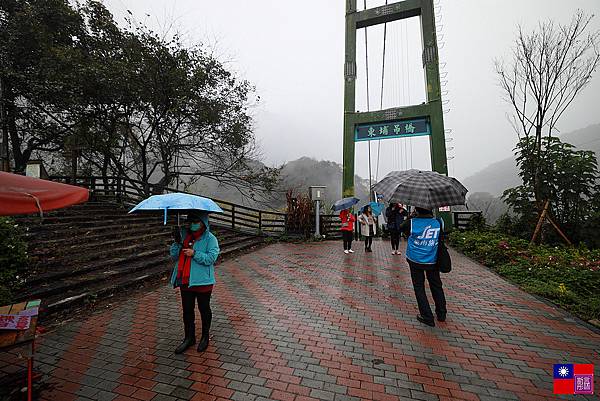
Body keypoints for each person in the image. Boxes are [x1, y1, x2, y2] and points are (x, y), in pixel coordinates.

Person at [170, 211, 220, 353]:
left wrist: (195, 254)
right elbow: (174, 256)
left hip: (203, 281)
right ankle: (189, 338)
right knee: (187, 310)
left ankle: (205, 336)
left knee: (204, 309)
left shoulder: (210, 239)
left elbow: (211, 258)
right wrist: (176, 242)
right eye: (190, 221)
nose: (192, 224)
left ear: (203, 222)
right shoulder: (184, 236)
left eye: (195, 221)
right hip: (185, 280)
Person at [399, 207, 447, 327]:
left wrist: (411, 216)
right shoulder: (438, 222)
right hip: (433, 259)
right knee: (436, 285)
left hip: (415, 259)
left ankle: (427, 316)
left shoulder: (411, 222)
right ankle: (441, 313)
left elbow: (401, 228)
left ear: (417, 210)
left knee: (419, 287)